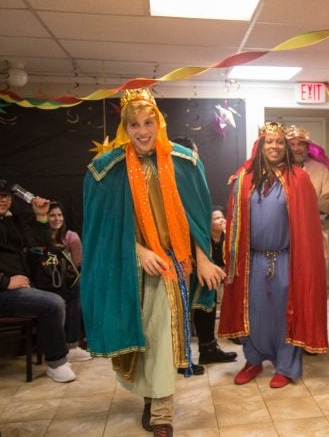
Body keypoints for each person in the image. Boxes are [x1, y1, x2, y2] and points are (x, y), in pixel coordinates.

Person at [81, 88, 225, 436]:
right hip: (130, 269)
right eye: (134, 125)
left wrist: (204, 257)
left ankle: (161, 413)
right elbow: (103, 229)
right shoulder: (107, 170)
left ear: (159, 122)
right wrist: (137, 251)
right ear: (125, 128)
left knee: (162, 337)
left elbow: (198, 216)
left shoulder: (184, 162)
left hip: (175, 267)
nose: (142, 131)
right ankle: (151, 396)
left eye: (148, 122)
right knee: (143, 338)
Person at [218, 122, 328, 389]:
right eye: (269, 142)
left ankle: (287, 367)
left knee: (285, 314)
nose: (275, 147)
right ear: (261, 145)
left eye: (280, 142)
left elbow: (307, 227)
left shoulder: (299, 180)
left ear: (286, 147)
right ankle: (253, 360)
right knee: (253, 313)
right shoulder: (243, 180)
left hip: (286, 259)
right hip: (251, 260)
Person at [0, 178, 76, 383]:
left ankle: (64, 346)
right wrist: (4, 282)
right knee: (52, 303)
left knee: (63, 294)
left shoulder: (8, 220)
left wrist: (41, 217)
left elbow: (37, 243)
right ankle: (57, 362)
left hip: (16, 288)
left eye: (7, 197)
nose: (4, 201)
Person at [177, 139, 237, 369]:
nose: (196, 158)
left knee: (207, 295)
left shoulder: (193, 179)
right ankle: (180, 358)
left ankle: (208, 348)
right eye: (193, 153)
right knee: (179, 304)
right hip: (178, 254)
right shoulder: (171, 179)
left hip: (199, 250)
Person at [27, 202, 90, 362]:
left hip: (64, 281)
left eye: (60, 215)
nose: (57, 219)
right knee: (71, 293)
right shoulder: (37, 235)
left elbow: (77, 265)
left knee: (76, 289)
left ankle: (72, 344)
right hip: (41, 282)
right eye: (52, 215)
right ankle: (67, 345)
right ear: (45, 217)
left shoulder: (71, 237)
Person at [190, 206, 237, 365]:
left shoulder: (227, 237)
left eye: (222, 217)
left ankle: (209, 349)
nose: (221, 220)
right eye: (216, 218)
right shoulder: (202, 238)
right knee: (203, 305)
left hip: (216, 278)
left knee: (208, 304)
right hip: (199, 274)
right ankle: (199, 352)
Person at [286, 125, 329, 233]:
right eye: (292, 144)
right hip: (284, 231)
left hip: (312, 229)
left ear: (307, 147)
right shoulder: (278, 169)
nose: (296, 148)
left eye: (300, 144)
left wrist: (305, 213)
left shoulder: (320, 169)